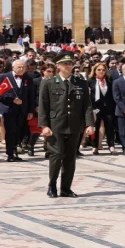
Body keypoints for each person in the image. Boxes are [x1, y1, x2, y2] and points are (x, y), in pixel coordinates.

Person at [38, 52, 95, 198]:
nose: (68, 66)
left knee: (70, 158)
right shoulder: (49, 83)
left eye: (70, 64)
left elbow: (87, 105)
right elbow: (43, 106)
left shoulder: (80, 82)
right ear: (58, 66)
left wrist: (89, 123)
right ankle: (52, 186)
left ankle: (66, 188)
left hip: (75, 125)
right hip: (55, 125)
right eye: (65, 64)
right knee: (56, 156)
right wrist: (44, 125)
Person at [0, 60, 35, 162]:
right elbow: (0, 93)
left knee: (19, 131)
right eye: (19, 67)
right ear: (13, 67)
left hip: (23, 110)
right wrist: (12, 99)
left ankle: (16, 150)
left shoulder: (28, 78)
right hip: (9, 109)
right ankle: (10, 152)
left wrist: (30, 111)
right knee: (11, 131)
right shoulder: (4, 77)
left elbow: (31, 96)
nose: (21, 69)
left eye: (23, 67)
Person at [89, 62, 116, 155]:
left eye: (103, 70)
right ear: (95, 70)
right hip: (95, 108)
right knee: (95, 127)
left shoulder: (109, 80)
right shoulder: (90, 81)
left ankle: (111, 146)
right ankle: (94, 146)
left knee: (109, 126)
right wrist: (92, 109)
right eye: (99, 70)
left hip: (108, 107)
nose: (101, 71)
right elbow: (88, 96)